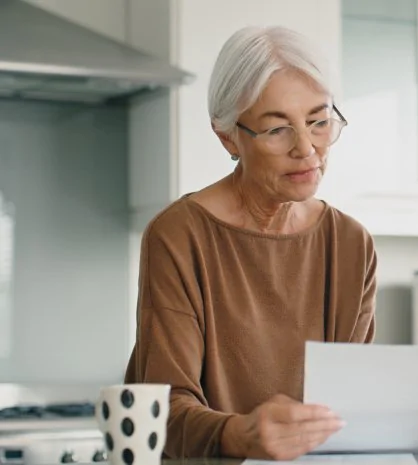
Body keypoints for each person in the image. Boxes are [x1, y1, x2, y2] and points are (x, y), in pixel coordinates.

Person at [124, 26, 377, 460]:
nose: (307, 149)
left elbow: (351, 407)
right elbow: (161, 412)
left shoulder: (351, 242)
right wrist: (239, 434)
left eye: (319, 121)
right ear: (227, 136)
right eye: (278, 129)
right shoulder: (179, 235)